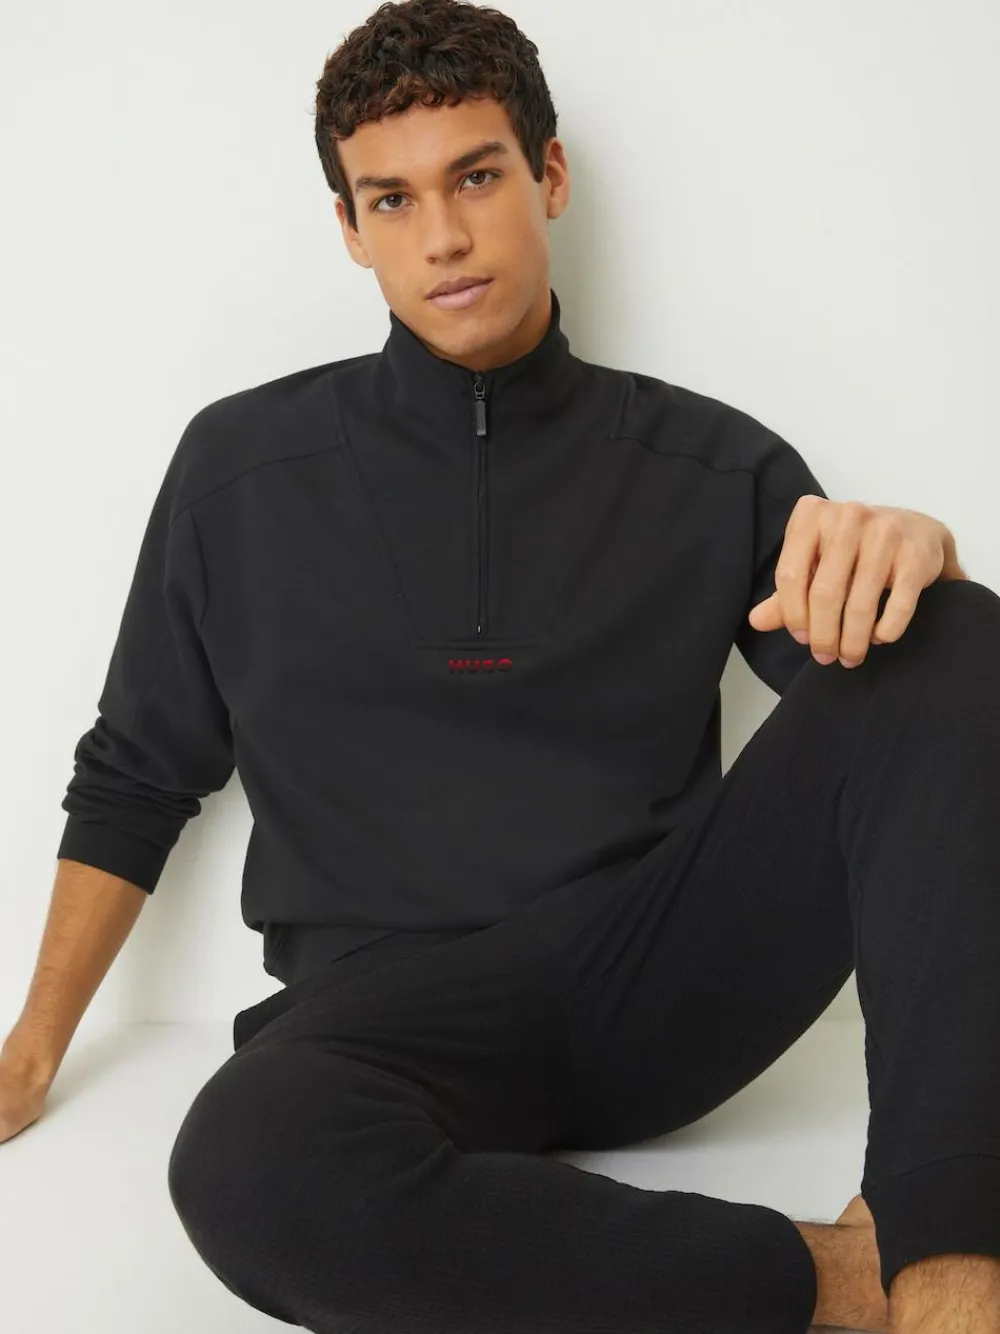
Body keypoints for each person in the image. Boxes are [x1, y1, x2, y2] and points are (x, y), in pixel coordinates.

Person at [3, 1, 999, 1330]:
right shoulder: (238, 470)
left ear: (550, 175)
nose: (444, 237)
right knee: (241, 1161)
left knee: (953, 629)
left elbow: (904, 747)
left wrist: (922, 571)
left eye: (476, 176)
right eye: (393, 199)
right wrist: (30, 1051)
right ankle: (840, 1281)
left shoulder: (715, 465)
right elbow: (135, 773)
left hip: (656, 982)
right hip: (380, 1026)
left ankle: (954, 1269)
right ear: (350, 228)